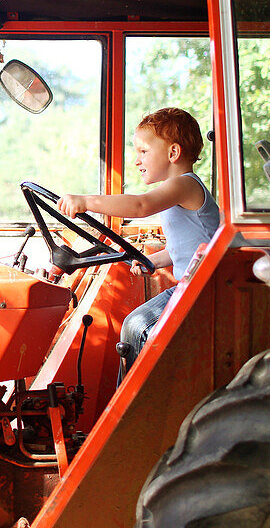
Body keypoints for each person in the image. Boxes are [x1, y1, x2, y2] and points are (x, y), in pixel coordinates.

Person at [57, 107, 219, 368]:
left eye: (143, 152)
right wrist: (151, 260)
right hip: (193, 286)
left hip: (204, 289)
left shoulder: (184, 184)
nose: (136, 161)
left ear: (173, 153)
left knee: (137, 326)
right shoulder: (177, 192)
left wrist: (86, 201)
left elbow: (139, 206)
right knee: (132, 326)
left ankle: (138, 405)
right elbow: (186, 249)